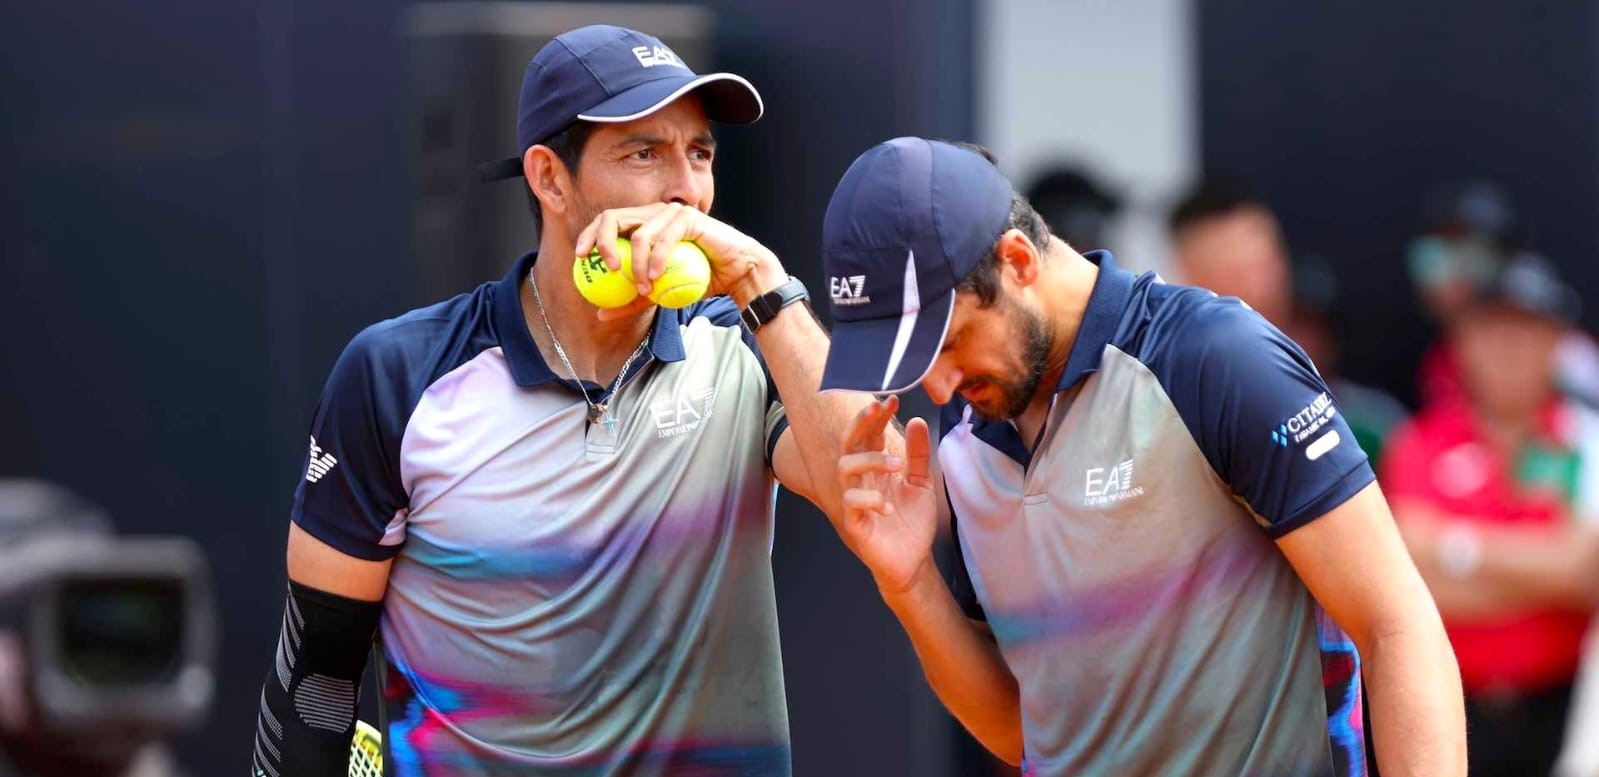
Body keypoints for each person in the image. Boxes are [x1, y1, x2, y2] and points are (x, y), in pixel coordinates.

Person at [252, 25, 882, 777]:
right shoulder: (399, 373)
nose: (687, 190)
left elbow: (869, 495)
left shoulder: (746, 341)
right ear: (550, 179)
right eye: (644, 153)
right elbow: (318, 677)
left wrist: (760, 279)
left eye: (700, 153)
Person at [816, 137, 1465, 776]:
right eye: (913, 363)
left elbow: (1395, 624)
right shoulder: (963, 425)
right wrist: (908, 585)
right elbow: (1022, 729)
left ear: (1017, 260)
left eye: (949, 342)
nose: (937, 387)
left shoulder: (1212, 357)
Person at [1382, 254, 1599, 777]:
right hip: (1449, 708)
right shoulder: (1418, 443)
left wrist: (1454, 550)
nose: (1508, 348)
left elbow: (1584, 574)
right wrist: (1540, 568)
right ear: (1463, 342)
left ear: (1556, 343)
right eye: (1492, 329)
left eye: (1526, 330)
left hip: (1565, 710)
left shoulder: (1586, 438)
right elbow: (1405, 579)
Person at [1167, 182, 1408, 468]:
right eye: (1239, 272)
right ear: (1189, 274)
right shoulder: (1166, 414)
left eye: (1267, 264)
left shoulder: (1363, 423)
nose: (1263, 288)